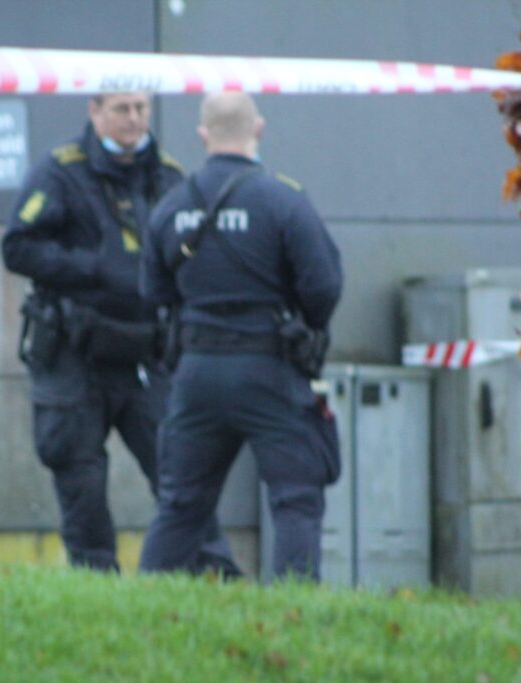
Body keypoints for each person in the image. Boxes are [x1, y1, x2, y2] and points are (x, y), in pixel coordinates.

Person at [1, 92, 240, 575]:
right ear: (95, 111)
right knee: (81, 481)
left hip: (144, 353)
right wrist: (92, 267)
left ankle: (212, 575)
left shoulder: (168, 175)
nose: (133, 119)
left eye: (141, 108)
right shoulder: (60, 171)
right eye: (121, 109)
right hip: (75, 353)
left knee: (182, 469)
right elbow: (18, 248)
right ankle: (97, 585)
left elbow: (190, 253)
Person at [138, 92, 344, 581]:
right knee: (295, 499)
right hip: (268, 367)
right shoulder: (283, 199)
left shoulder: (172, 206)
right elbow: (323, 286)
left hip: (196, 372)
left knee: (181, 504)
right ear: (259, 129)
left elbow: (152, 292)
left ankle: (144, 603)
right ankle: (294, 608)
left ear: (203, 135)